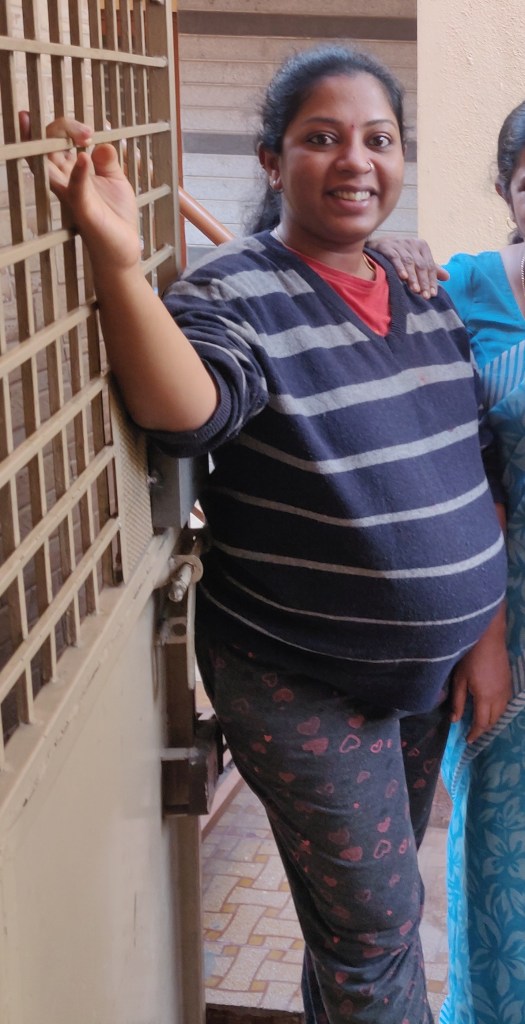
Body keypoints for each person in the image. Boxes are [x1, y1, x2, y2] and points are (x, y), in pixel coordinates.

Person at [28, 45, 512, 1024]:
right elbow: (189, 411)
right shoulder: (234, 291)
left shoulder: (421, 292)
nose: (355, 159)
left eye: (378, 139)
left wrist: (483, 632)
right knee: (376, 931)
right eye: (321, 137)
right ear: (270, 158)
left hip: (418, 680)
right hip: (301, 672)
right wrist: (117, 261)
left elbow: (470, 466)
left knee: (354, 927)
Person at [373, 100, 525, 1024]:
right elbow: (451, 463)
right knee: (503, 860)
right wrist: (383, 248)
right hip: (505, 622)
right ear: (507, 190)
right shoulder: (458, 289)